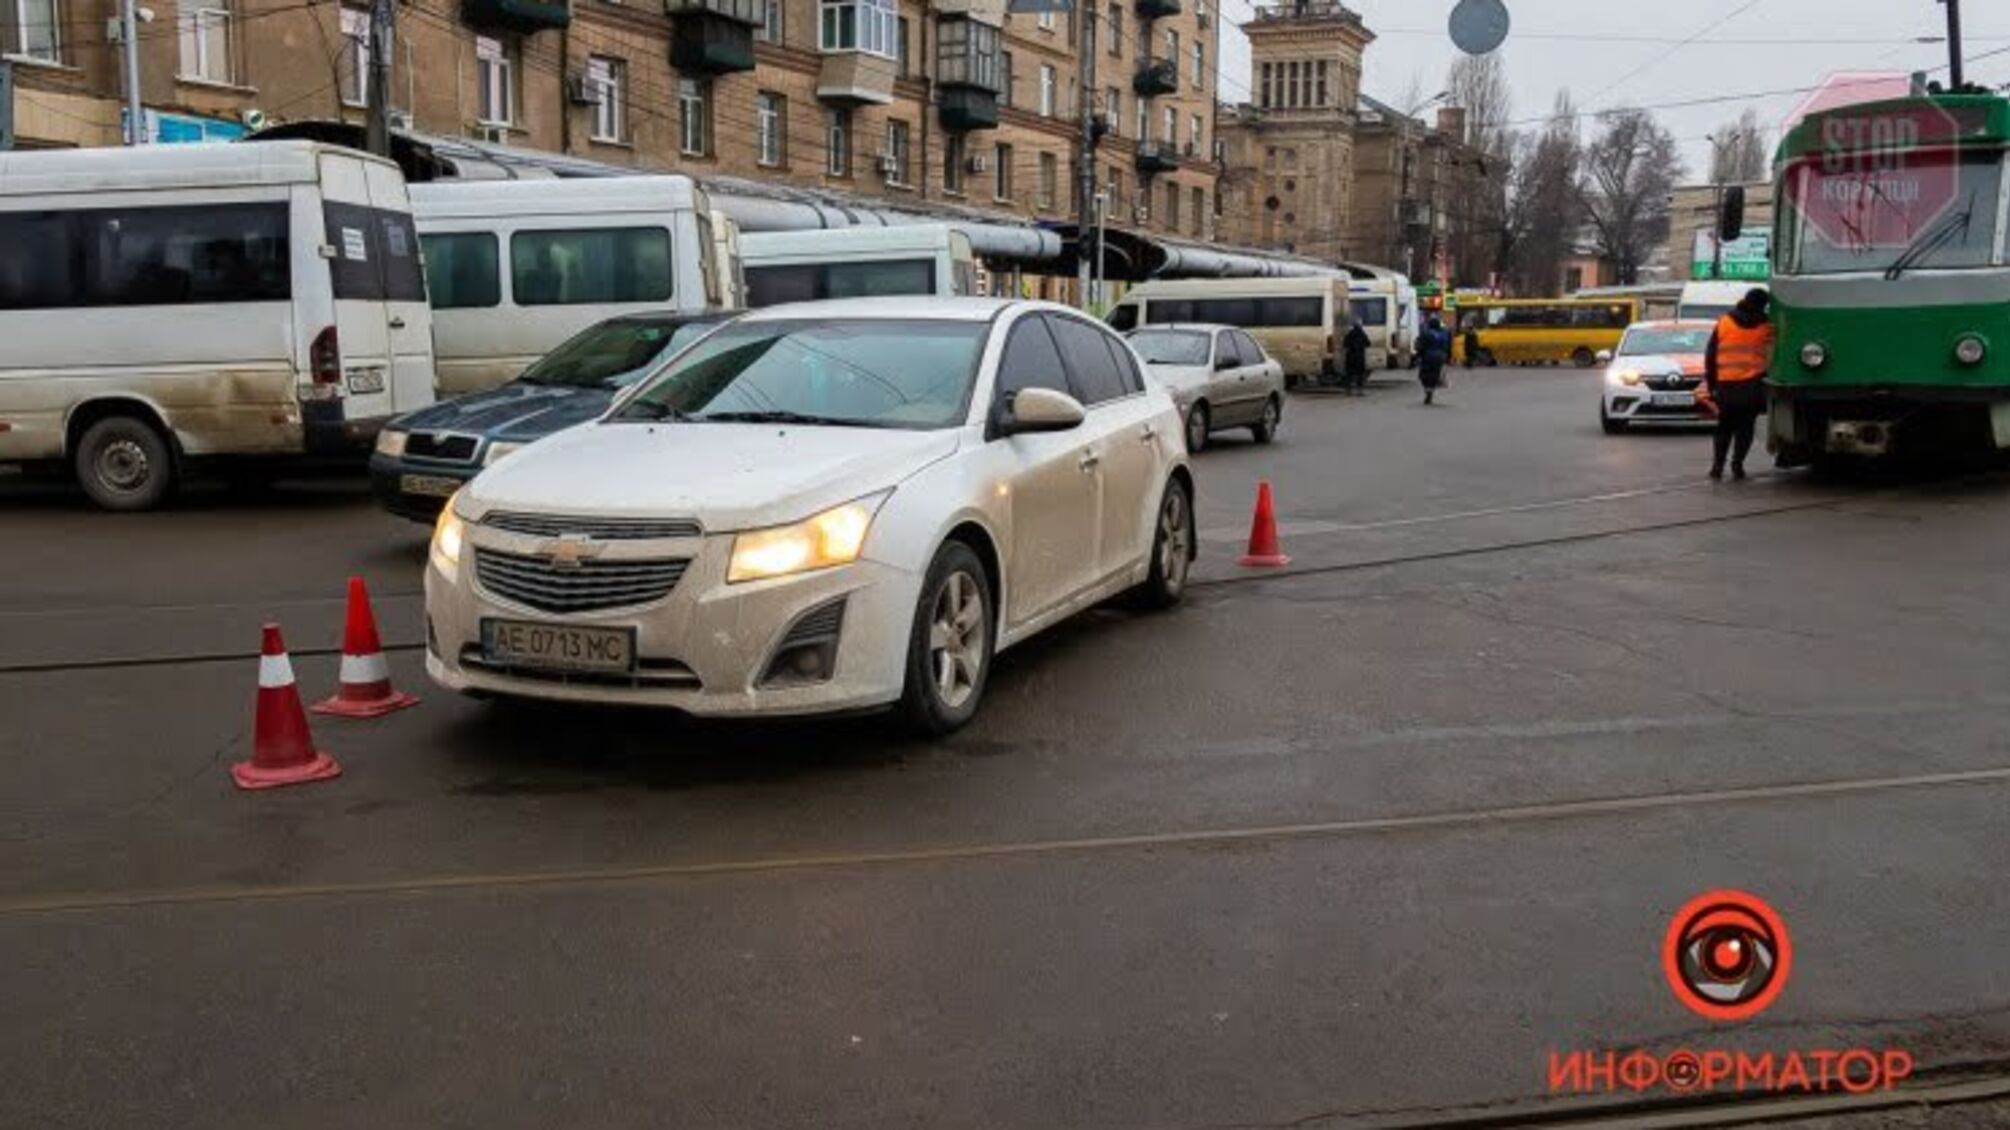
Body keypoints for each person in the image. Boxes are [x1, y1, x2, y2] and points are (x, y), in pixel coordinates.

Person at [1703, 288, 1776, 481]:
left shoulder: (1724, 322)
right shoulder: (1767, 326)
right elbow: (1774, 354)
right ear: (1763, 305)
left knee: (1724, 427)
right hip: (1751, 386)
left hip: (1726, 385)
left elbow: (1710, 356)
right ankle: (1738, 464)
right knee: (1745, 427)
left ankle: (1717, 467)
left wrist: (1711, 384)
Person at [1417, 316, 1453, 405]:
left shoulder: (1426, 333)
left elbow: (1421, 346)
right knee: (1434, 376)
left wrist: (1419, 356)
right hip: (1440, 357)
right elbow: (1448, 347)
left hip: (1428, 356)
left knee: (1424, 375)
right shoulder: (1443, 334)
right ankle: (1431, 392)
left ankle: (1428, 392)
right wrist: (1448, 358)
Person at [1342, 319, 1371, 396]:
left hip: (1350, 357)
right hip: (1359, 357)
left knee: (1349, 375)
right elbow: (1368, 343)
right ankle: (1359, 391)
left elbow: (1345, 344)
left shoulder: (1350, 333)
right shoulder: (1362, 334)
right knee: (1360, 375)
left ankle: (1348, 391)